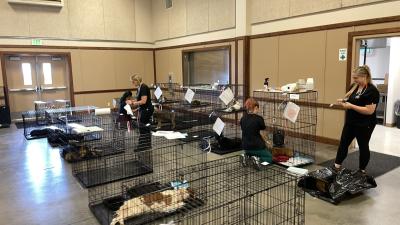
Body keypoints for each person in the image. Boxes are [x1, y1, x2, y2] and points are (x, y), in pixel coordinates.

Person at [333, 65, 380, 174]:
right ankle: (336, 165)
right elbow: (351, 100)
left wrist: (351, 106)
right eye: (354, 78)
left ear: (364, 76)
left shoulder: (372, 91)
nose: (354, 80)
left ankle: (361, 170)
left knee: (363, 146)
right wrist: (343, 101)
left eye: (356, 78)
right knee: (343, 143)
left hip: (365, 124)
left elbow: (369, 111)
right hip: (351, 122)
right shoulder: (354, 86)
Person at [240, 98, 272, 169]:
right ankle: (260, 161)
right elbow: (262, 130)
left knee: (252, 153)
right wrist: (267, 141)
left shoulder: (243, 118)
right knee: (269, 157)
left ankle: (247, 157)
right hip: (257, 146)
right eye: (258, 108)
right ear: (256, 107)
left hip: (245, 146)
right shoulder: (259, 119)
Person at [126, 74, 154, 151]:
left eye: (133, 82)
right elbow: (139, 99)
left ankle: (143, 146)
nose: (132, 83)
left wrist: (132, 103)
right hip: (144, 109)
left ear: (136, 80)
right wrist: (132, 101)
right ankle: (146, 145)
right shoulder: (139, 88)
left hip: (147, 110)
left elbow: (143, 101)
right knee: (144, 128)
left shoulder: (144, 87)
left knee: (143, 128)